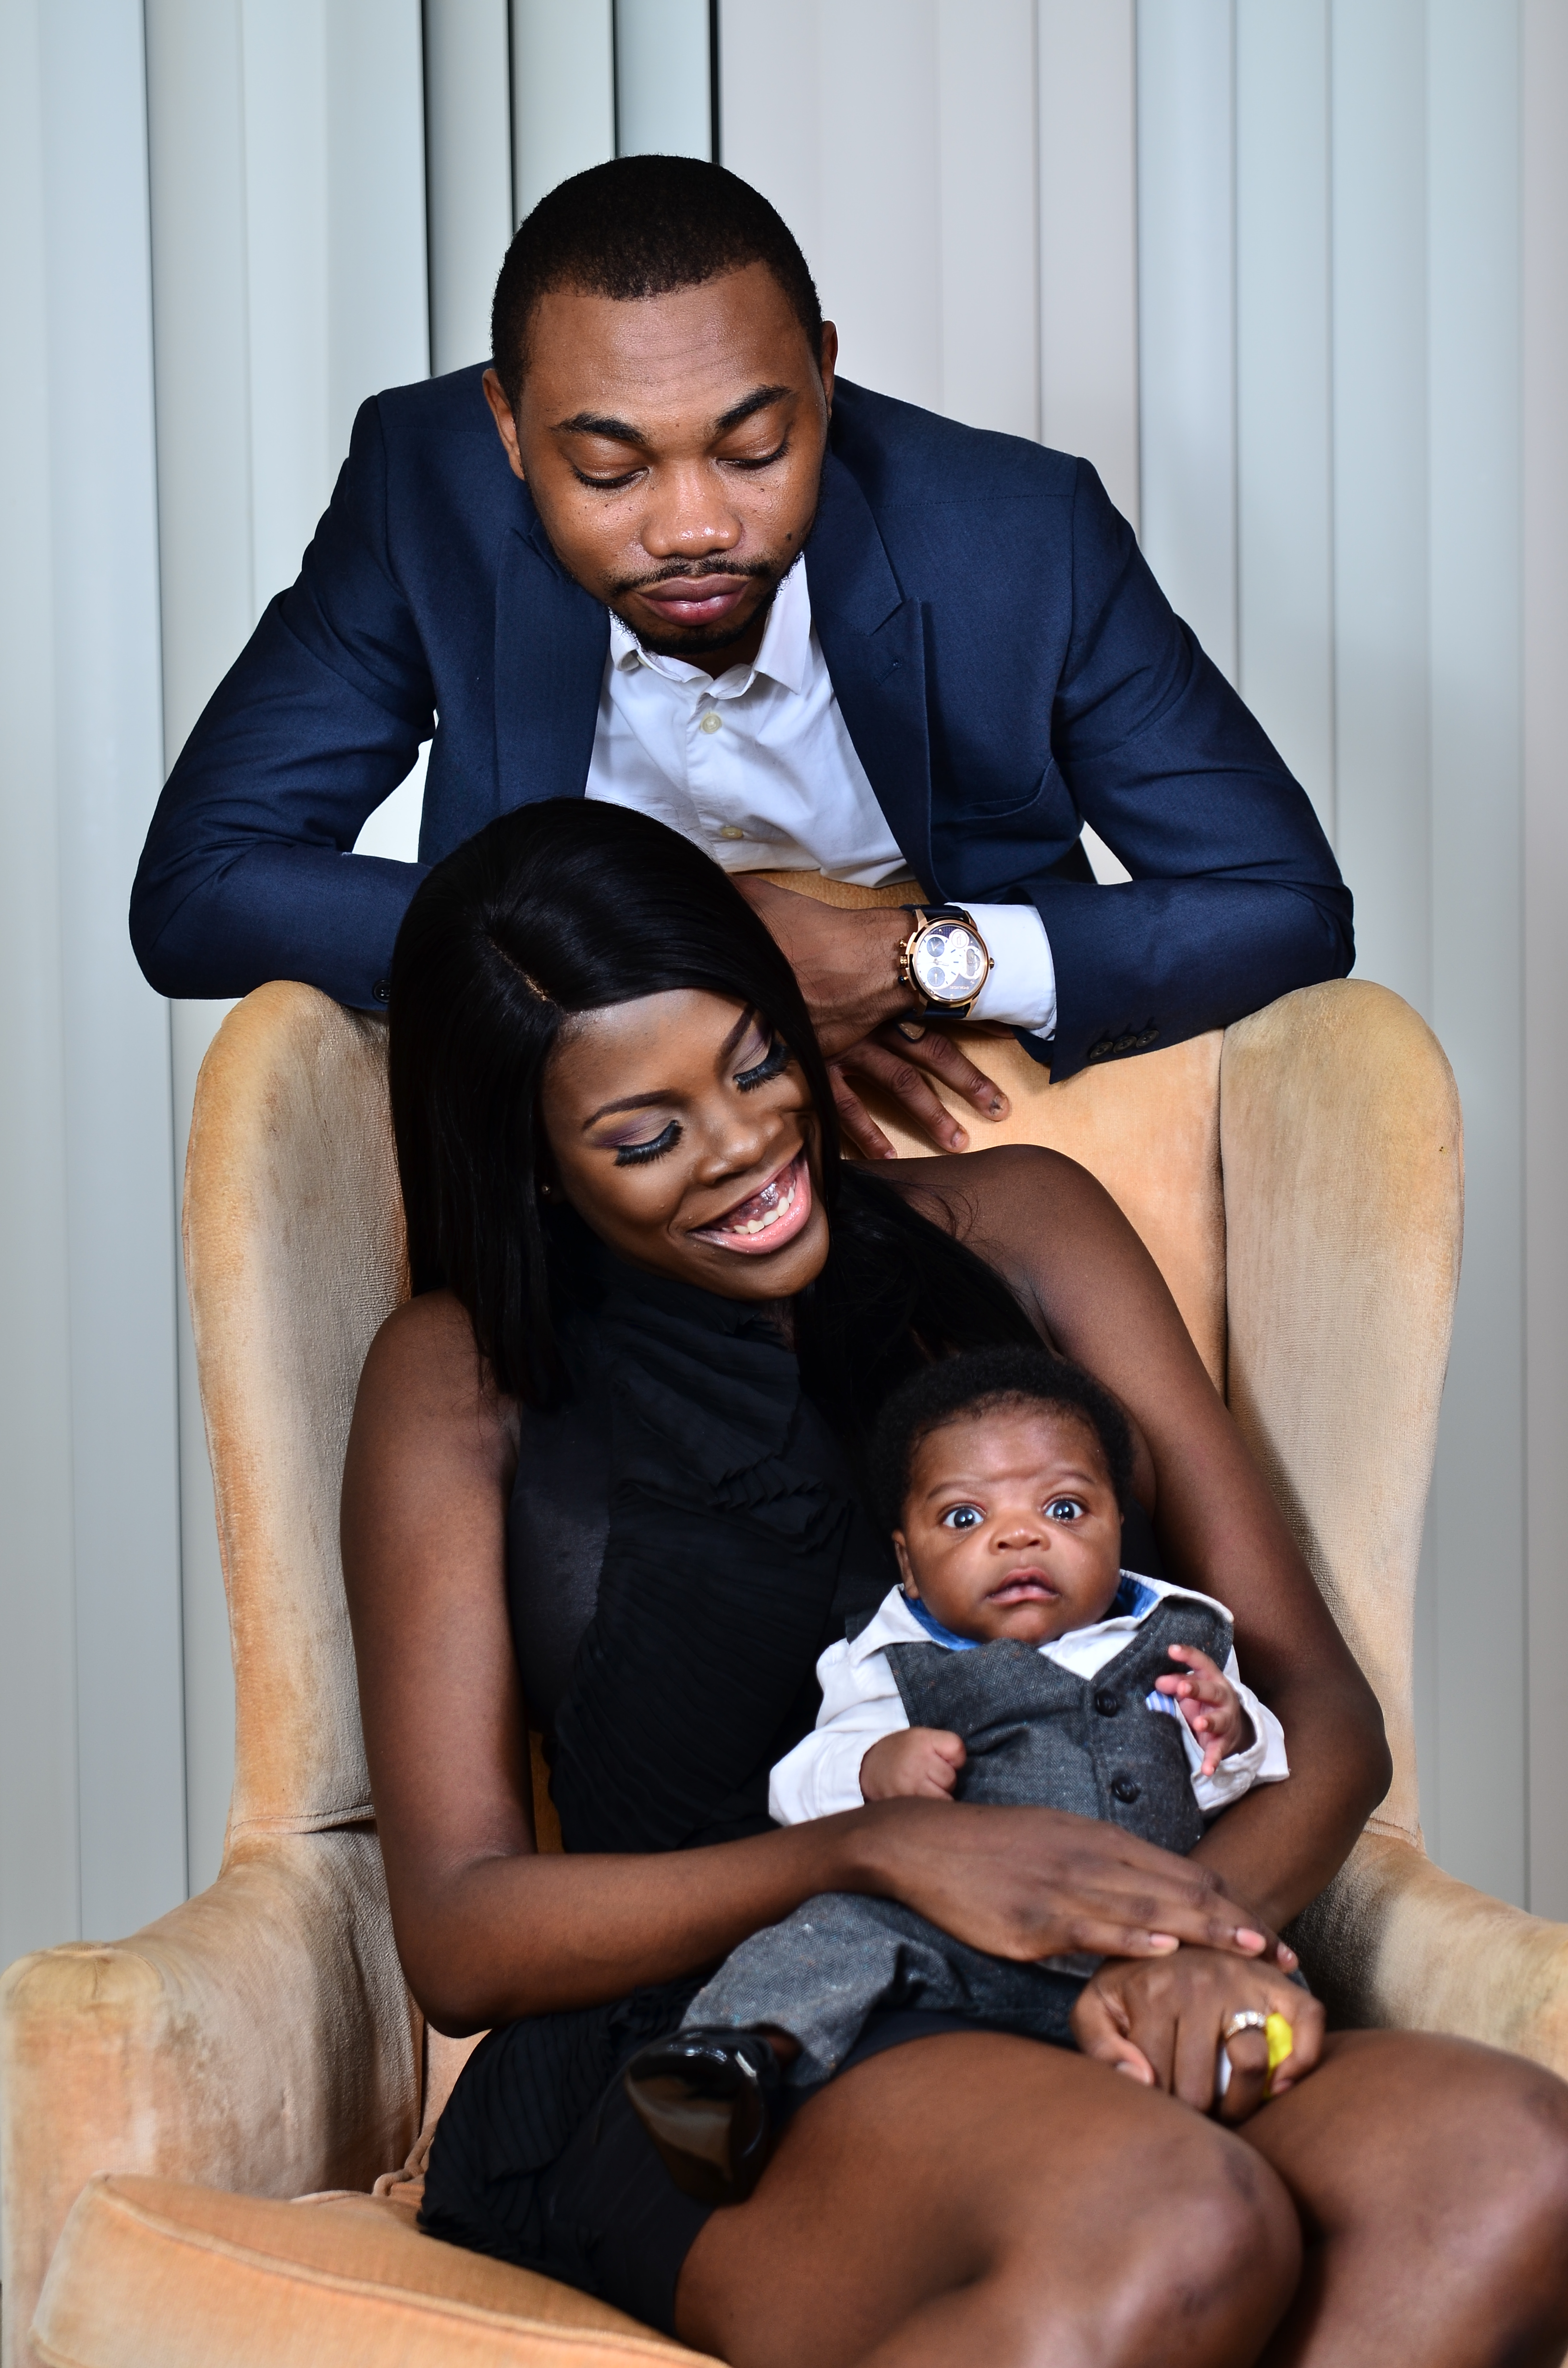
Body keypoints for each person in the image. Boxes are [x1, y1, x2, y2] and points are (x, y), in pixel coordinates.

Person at [341, 794, 1568, 2367]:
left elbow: (1320, 1708)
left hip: (1103, 1958)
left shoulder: (1026, 1226)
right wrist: (876, 1850)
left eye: (755, 1063)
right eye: (645, 1137)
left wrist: (1195, 1938)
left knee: (1509, 2168)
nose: (745, 1148)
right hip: (721, 2037)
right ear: (533, 1166)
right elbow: (461, 1934)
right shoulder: (455, 1383)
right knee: (1180, 2225)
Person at [131, 154, 1354, 1159]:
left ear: (824, 375)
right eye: (610, 471)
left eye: (755, 451)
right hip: (576, 1150)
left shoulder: (1019, 537)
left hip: (961, 1133)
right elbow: (199, 887)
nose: (694, 528)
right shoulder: (424, 491)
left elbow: (1286, 906)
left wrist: (913, 961)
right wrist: (670, 963)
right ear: (507, 427)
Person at [625, 1346, 1290, 2203]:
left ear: (1118, 1528)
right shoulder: (894, 1664)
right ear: (908, 1564)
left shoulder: (1178, 1640)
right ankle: (736, 2058)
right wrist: (874, 1768)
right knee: (834, 1933)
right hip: (959, 1941)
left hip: (1146, 1943)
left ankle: (1226, 2089)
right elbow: (799, 1784)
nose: (1019, 1535)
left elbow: (1233, 1785)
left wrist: (1234, 1731)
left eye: (1063, 1508)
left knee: (1257, 1962)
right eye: (965, 1518)